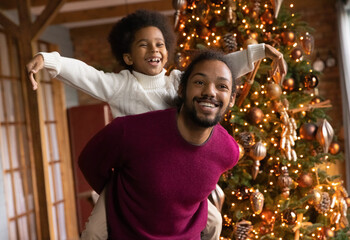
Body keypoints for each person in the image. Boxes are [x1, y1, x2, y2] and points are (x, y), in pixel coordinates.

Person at [26, 10, 286, 240]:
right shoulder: (118, 85)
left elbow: (221, 70)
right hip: (133, 177)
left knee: (215, 222)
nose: (154, 50)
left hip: (181, 172)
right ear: (128, 57)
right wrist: (48, 60)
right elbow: (85, 75)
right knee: (94, 231)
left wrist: (259, 51)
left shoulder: (177, 82)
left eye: (159, 44)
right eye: (144, 45)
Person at [78, 50, 240, 239]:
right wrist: (120, 198)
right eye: (199, 82)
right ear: (181, 89)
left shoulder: (229, 152)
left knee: (215, 223)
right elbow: (90, 162)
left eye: (222, 86)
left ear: (232, 99)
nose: (210, 92)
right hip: (127, 232)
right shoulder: (129, 131)